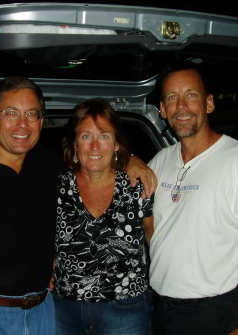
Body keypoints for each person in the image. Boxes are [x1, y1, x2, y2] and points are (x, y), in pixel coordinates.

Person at [0, 77, 156, 335]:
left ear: (41, 122)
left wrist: (132, 161)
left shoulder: (52, 169)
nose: (22, 124)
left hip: (42, 313)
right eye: (11, 113)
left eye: (31, 114)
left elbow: (96, 161)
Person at [147, 64, 238, 335]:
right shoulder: (159, 161)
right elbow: (152, 225)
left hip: (220, 312)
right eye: (171, 98)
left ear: (208, 103)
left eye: (191, 95)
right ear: (162, 111)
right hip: (165, 310)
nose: (181, 106)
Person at [53, 98, 154, 335]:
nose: (95, 146)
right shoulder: (57, 187)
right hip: (65, 310)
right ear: (75, 144)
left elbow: (155, 238)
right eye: (86, 136)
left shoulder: (136, 186)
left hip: (126, 310)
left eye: (104, 136)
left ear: (116, 144)